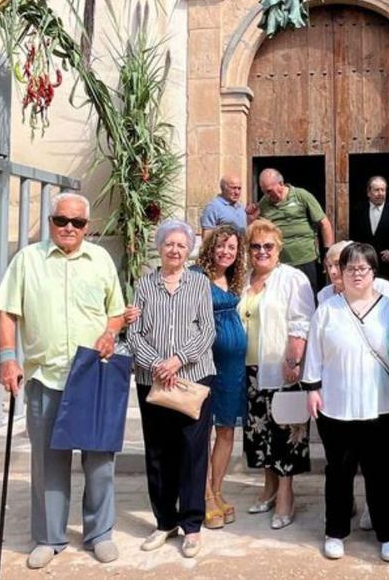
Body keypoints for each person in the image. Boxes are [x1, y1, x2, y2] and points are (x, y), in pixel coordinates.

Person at [0, 192, 126, 569]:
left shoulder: (100, 260)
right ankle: (49, 537)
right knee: (48, 462)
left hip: (91, 376)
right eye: (61, 220)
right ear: (51, 221)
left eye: (77, 223)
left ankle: (99, 533)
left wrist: (109, 333)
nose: (68, 228)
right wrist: (7, 358)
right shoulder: (26, 260)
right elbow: (6, 314)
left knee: (99, 460)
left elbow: (115, 313)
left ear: (88, 226)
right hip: (44, 376)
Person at [303, 243, 389, 563]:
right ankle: (335, 531)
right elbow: (314, 354)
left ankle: (388, 533)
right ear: (339, 274)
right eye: (350, 269)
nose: (357, 274)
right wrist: (312, 389)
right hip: (336, 404)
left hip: (380, 404)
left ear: (374, 272)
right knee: (338, 471)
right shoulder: (327, 309)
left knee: (381, 472)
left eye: (363, 268)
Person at [127, 220, 217, 558]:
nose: (175, 250)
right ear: (160, 247)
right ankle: (165, 521)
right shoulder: (144, 285)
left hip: (193, 377)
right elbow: (134, 334)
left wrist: (178, 360)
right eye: (169, 244)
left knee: (193, 452)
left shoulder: (199, 284)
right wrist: (156, 365)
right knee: (158, 452)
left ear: (189, 250)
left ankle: (192, 525)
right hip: (153, 380)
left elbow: (207, 330)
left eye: (181, 245)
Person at [241, 218, 316, 529]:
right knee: (258, 434)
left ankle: (286, 494)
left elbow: (302, 321)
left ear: (279, 248)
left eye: (268, 246)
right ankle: (269, 488)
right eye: (255, 246)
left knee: (285, 432)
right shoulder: (243, 279)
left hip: (282, 366)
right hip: (248, 369)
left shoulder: (292, 278)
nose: (262, 251)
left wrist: (294, 360)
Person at [194, 224, 249, 529]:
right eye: (221, 246)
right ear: (210, 247)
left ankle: (216, 490)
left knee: (226, 429)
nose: (226, 252)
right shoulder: (196, 276)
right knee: (203, 430)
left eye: (232, 247)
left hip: (232, 366)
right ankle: (202, 496)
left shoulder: (235, 277)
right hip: (204, 363)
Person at [247, 168, 334, 292]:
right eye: (264, 192)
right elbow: (257, 232)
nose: (268, 195)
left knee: (309, 297)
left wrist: (328, 253)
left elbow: (324, 223)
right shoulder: (264, 203)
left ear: (281, 184)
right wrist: (251, 219)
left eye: (270, 191)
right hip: (279, 263)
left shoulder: (301, 195)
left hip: (306, 259)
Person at [348, 176, 389, 283]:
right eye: (377, 190)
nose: (380, 193)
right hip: (364, 266)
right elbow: (353, 235)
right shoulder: (358, 211)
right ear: (368, 192)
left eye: (383, 190)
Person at [317, 240, 389, 306]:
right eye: (329, 266)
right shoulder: (324, 294)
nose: (332, 271)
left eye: (337, 264)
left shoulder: (380, 287)